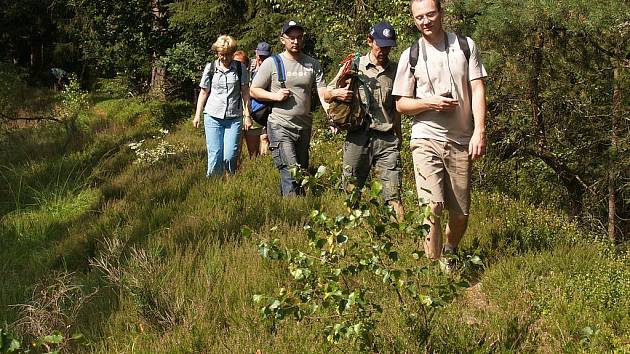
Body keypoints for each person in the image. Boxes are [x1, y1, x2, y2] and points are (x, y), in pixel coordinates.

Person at [392, 0, 487, 262]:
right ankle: (432, 270)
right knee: (431, 206)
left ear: (441, 13)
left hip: (460, 140)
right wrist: (429, 102)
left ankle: (450, 250)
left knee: (460, 213)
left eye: (430, 14)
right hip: (425, 138)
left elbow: (478, 88)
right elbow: (401, 103)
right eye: (419, 17)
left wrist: (479, 130)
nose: (425, 21)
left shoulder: (465, 46)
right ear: (414, 20)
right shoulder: (409, 55)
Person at [325, 21, 404, 220]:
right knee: (351, 190)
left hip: (387, 139)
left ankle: (400, 237)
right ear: (370, 41)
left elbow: (397, 109)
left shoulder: (396, 71)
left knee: (393, 193)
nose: (384, 51)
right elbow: (326, 94)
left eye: (388, 47)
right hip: (357, 137)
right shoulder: (353, 66)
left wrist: (399, 136)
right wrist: (338, 93)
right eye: (380, 45)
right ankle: (352, 234)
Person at [250, 21, 327, 197]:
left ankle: (285, 208)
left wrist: (333, 117)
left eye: (299, 37)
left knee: (300, 173)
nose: (295, 41)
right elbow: (254, 90)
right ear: (282, 39)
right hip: (279, 125)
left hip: (304, 126)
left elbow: (323, 94)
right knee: (291, 170)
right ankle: (294, 214)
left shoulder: (312, 64)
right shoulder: (272, 63)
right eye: (291, 38)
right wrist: (274, 96)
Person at [193, 35, 250, 177]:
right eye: (221, 54)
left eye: (228, 54)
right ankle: (213, 182)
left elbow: (245, 93)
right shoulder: (210, 68)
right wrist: (197, 115)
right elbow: (204, 92)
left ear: (232, 53)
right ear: (217, 53)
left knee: (230, 155)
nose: (225, 58)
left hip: (234, 117)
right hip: (212, 116)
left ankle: (230, 179)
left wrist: (247, 114)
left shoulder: (240, 68)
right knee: (215, 154)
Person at [232, 50, 260, 159]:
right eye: (236, 62)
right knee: (234, 152)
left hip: (251, 115)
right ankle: (233, 174)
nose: (239, 65)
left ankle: (253, 172)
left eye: (242, 62)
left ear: (246, 64)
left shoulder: (253, 76)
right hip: (234, 117)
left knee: (253, 153)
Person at [251, 42, 273, 155]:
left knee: (265, 137)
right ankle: (256, 163)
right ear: (256, 53)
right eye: (260, 56)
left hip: (267, 110)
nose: (262, 59)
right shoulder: (250, 68)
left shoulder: (274, 67)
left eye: (265, 56)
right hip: (254, 111)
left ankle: (265, 161)